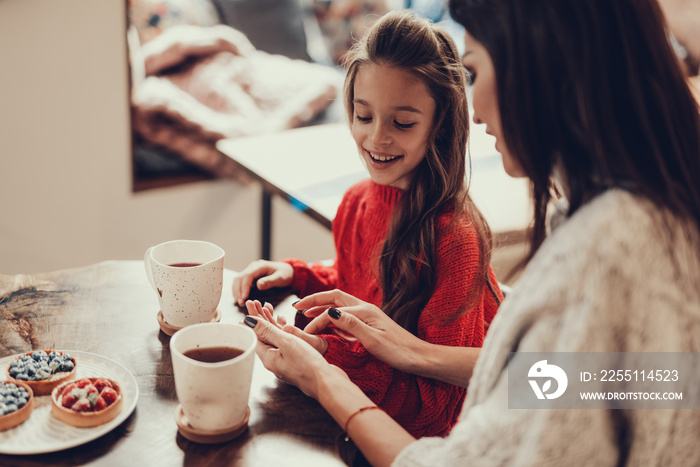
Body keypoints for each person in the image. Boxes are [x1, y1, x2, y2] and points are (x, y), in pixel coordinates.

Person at [243, 0, 700, 465]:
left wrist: (324, 377)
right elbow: (625, 382)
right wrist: (413, 353)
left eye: (476, 72)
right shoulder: (650, 221)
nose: (474, 112)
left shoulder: (603, 254)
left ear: (541, 71)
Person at [235, 10, 503, 438]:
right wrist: (298, 275)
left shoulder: (455, 238)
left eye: (402, 123)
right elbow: (357, 283)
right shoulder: (356, 202)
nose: (377, 138)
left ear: (440, 123)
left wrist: (327, 359)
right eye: (364, 116)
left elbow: (437, 413)